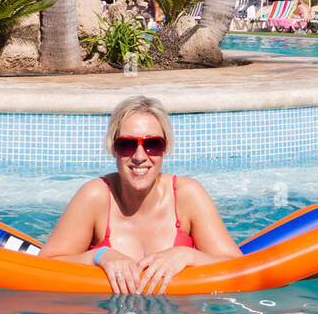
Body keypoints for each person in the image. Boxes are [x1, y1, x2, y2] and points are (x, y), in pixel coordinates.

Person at [40, 94, 242, 294]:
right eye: (126, 145)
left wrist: (188, 256)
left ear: (165, 148)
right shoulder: (95, 196)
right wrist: (100, 255)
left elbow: (239, 267)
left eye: (153, 145)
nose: (139, 156)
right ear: (113, 149)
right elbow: (43, 267)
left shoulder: (187, 195)